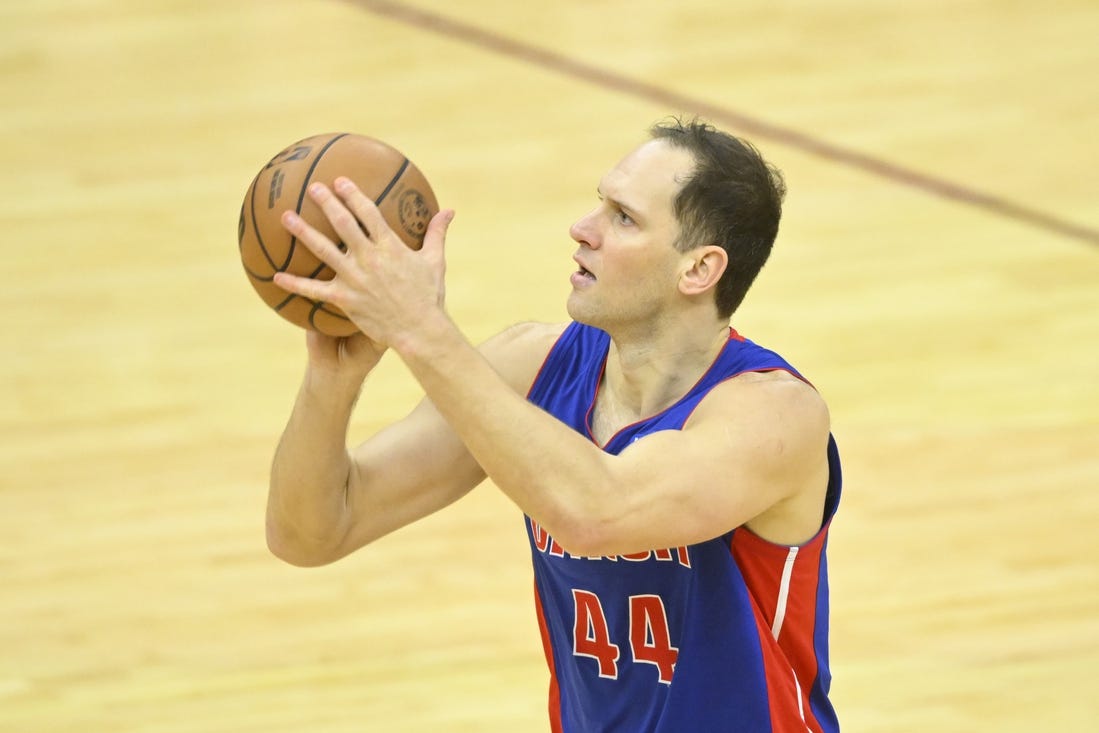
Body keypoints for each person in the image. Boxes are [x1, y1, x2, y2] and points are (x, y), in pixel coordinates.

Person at [265, 117, 842, 732]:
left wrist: (420, 331)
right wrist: (332, 382)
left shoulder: (774, 415)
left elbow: (597, 512)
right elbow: (312, 534)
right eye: (600, 203)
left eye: (623, 217)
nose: (583, 229)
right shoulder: (530, 367)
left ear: (699, 270)